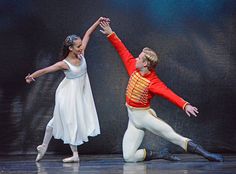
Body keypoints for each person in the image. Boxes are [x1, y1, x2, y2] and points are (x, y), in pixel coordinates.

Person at [99, 21, 223, 162]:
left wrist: (185, 105)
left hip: (144, 117)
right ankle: (160, 154)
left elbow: (169, 94)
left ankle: (206, 154)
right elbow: (122, 49)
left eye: (139, 58)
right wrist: (110, 32)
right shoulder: (133, 66)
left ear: (145, 63)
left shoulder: (153, 82)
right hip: (132, 119)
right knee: (129, 157)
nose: (136, 59)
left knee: (172, 136)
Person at [25, 17, 110, 163]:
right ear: (70, 48)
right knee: (70, 121)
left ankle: (44, 147)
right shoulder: (64, 64)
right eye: (78, 46)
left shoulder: (81, 54)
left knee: (55, 122)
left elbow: (88, 33)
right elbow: (46, 70)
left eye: (81, 45)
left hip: (79, 93)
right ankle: (71, 154)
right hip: (68, 95)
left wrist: (98, 21)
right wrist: (31, 76)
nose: (81, 47)